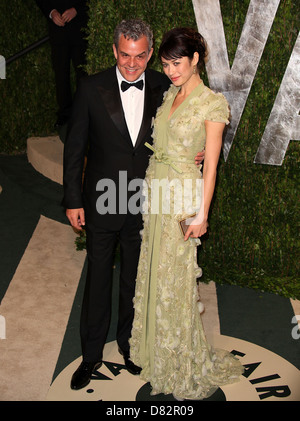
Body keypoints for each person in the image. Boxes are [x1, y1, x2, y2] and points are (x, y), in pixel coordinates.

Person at [63, 19, 204, 391]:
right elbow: (75, 148)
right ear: (114, 51)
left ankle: (130, 346)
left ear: (150, 53)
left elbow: (191, 119)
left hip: (146, 202)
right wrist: (73, 199)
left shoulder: (163, 84)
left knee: (134, 280)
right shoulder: (91, 87)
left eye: (140, 56)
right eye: (125, 55)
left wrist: (197, 150)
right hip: (102, 200)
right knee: (97, 278)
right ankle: (91, 355)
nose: (132, 63)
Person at [129, 27, 244, 400]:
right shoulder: (170, 95)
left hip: (182, 199)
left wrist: (202, 215)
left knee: (175, 282)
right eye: (165, 64)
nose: (171, 71)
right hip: (158, 193)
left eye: (177, 63)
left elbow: (210, 166)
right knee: (155, 277)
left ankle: (180, 360)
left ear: (196, 59)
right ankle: (159, 355)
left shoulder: (212, 103)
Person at [35, 1, 88, 127]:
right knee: (61, 75)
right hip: (57, 32)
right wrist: (52, 12)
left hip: (80, 29)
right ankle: (64, 115)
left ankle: (84, 114)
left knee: (83, 75)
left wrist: (76, 9)